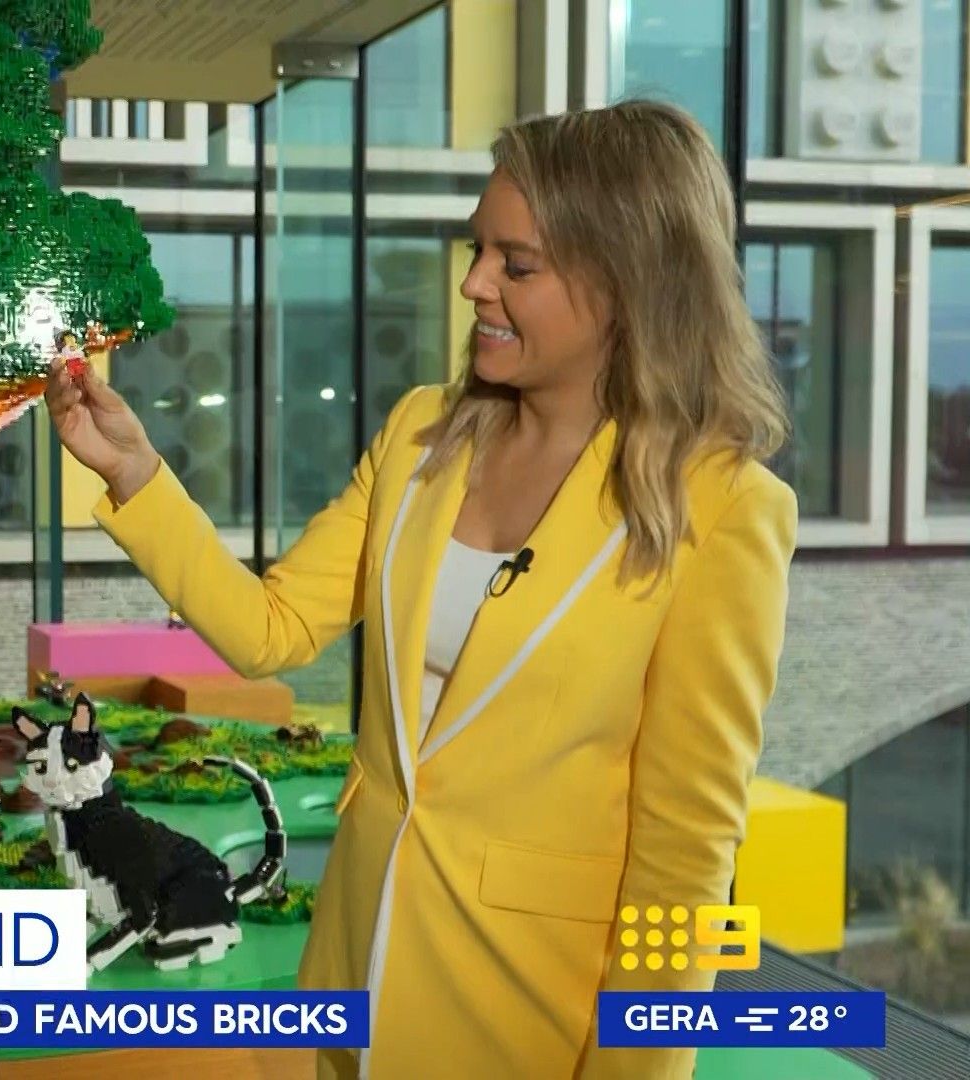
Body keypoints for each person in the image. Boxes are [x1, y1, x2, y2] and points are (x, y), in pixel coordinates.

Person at [46, 100, 797, 1080]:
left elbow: (685, 863)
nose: (474, 282)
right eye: (479, 250)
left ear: (627, 283)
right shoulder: (420, 436)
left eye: (516, 265)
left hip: (526, 1030)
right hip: (348, 992)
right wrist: (135, 475)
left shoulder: (725, 510)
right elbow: (273, 628)